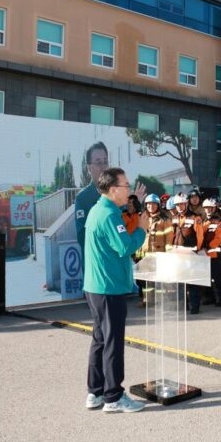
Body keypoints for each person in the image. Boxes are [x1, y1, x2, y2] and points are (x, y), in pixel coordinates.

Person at [83, 167, 147, 413]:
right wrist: (142, 228)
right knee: (112, 342)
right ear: (113, 190)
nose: (129, 190)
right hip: (108, 288)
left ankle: (95, 392)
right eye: (126, 186)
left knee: (100, 340)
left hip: (97, 287)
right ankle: (113, 397)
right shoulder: (109, 215)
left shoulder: (100, 209)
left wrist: (136, 204)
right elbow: (125, 246)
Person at [136, 194, 173, 306]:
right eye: (148, 204)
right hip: (144, 255)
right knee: (146, 280)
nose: (151, 206)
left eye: (153, 204)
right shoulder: (143, 219)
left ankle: (160, 301)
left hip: (158, 254)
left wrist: (168, 254)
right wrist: (137, 253)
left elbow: (169, 237)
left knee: (158, 279)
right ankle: (147, 300)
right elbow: (139, 236)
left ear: (158, 205)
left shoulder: (164, 220)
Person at [170, 193, 205, 314]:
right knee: (180, 280)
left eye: (181, 204)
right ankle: (183, 305)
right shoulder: (174, 217)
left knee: (193, 281)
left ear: (186, 204)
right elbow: (172, 234)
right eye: (177, 205)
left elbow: (200, 235)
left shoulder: (196, 217)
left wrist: (196, 250)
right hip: (177, 253)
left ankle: (195, 306)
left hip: (191, 252)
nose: (179, 207)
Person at [202, 198, 221, 307]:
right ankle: (210, 297)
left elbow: (218, 238)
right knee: (207, 278)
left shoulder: (219, 221)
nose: (208, 210)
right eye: (206, 208)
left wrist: (207, 247)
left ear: (214, 208)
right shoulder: (203, 221)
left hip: (214, 254)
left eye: (210, 208)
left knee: (217, 277)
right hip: (203, 254)